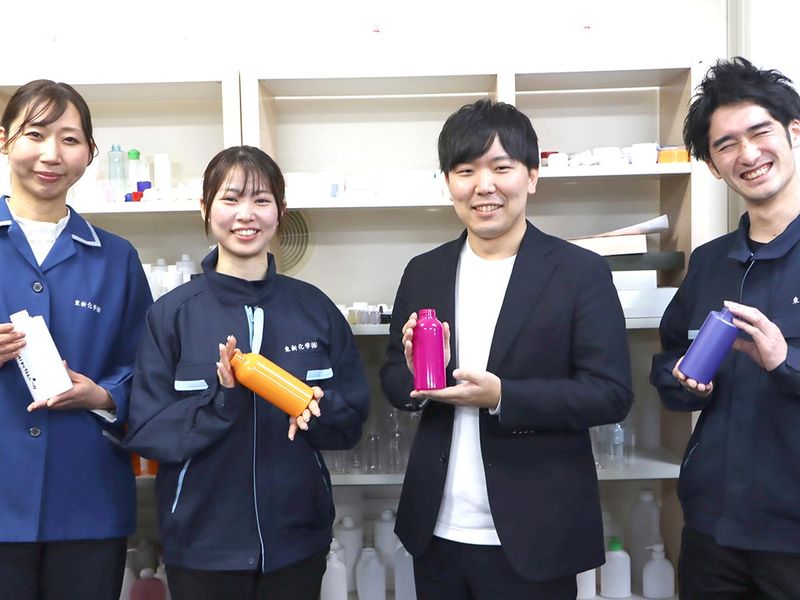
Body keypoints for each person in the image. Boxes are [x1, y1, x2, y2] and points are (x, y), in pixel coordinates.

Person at [379, 98, 633, 599]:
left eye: (501, 167)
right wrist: (415, 377)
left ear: (532, 176)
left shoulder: (579, 272)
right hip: (437, 531)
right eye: (465, 170)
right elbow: (392, 379)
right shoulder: (424, 271)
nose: (483, 185)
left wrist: (502, 397)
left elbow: (610, 394)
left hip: (537, 533)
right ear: (448, 182)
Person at [124, 145, 370, 600]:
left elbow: (351, 424)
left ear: (280, 211)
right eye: (230, 198)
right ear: (205, 208)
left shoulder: (314, 309)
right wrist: (221, 401)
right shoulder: (172, 315)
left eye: (261, 200)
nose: (246, 214)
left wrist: (316, 408)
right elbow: (148, 430)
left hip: (297, 542)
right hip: (202, 545)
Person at [650, 56, 800, 599]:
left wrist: (785, 362)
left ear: (794, 131)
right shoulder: (710, 263)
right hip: (713, 529)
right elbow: (668, 361)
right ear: (714, 166)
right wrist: (686, 383)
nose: (748, 155)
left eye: (760, 132)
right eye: (727, 145)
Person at [0, 80, 153, 599]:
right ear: (4, 141)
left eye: (69, 139)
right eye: (35, 134)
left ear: (89, 153)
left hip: (86, 501)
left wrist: (104, 396)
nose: (51, 154)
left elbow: (147, 367)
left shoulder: (116, 258)